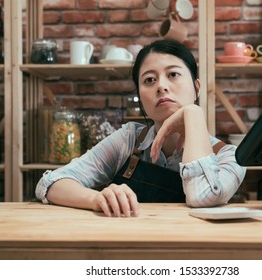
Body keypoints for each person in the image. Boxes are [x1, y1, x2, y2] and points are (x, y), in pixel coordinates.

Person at [35, 39, 246, 217]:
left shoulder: (230, 156)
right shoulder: (129, 139)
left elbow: (203, 197)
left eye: (173, 74)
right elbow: (50, 183)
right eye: (149, 80)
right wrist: (96, 198)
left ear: (197, 88)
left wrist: (193, 115)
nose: (161, 86)